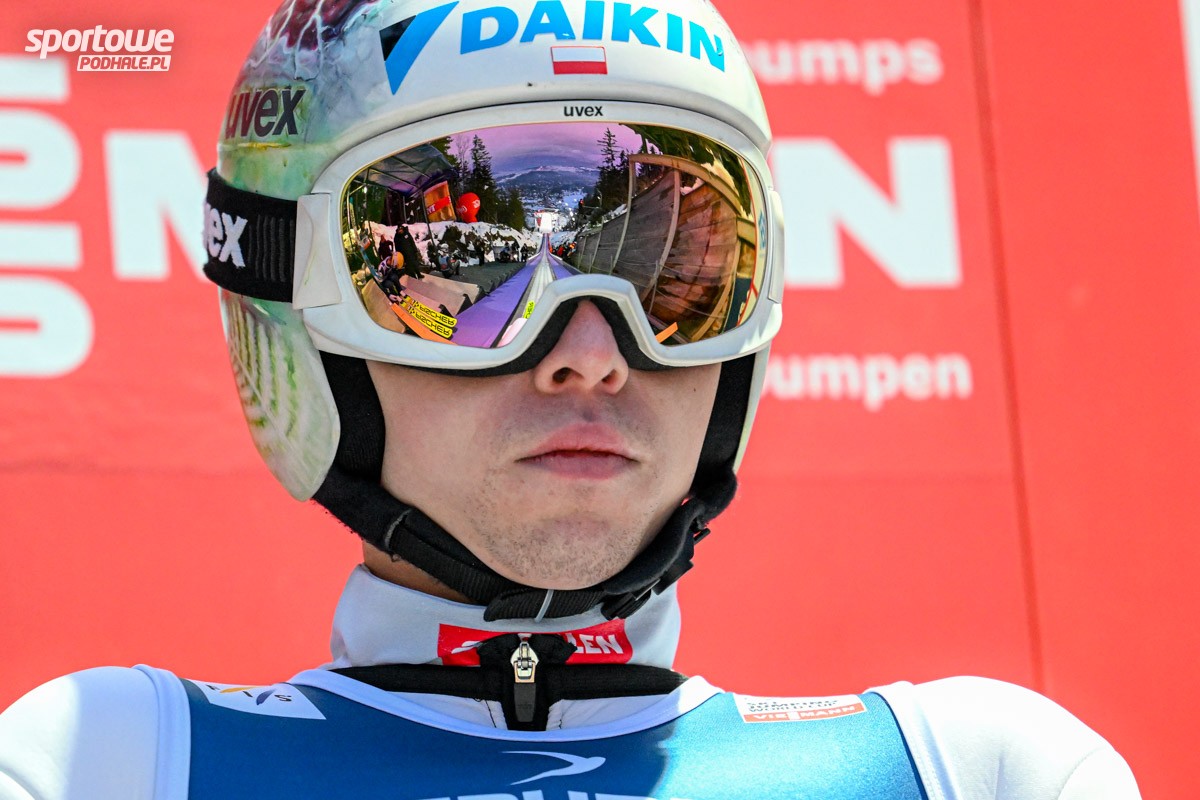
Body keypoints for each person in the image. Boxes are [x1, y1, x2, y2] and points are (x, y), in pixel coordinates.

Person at [0, 0, 1141, 798]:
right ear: (298, 309)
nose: (590, 354)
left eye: (672, 268)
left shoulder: (983, 774)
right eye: (481, 266)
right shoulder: (106, 767)